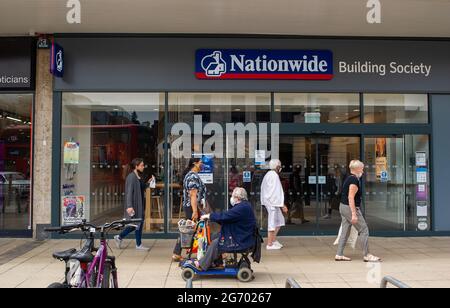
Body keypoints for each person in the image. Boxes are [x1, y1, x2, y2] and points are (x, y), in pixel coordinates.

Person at [194, 187, 257, 271]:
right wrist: (212, 217)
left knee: (216, 243)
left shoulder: (241, 207)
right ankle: (217, 262)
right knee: (213, 236)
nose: (231, 198)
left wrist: (209, 216)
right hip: (240, 235)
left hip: (241, 239)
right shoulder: (243, 205)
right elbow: (228, 218)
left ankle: (202, 264)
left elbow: (226, 216)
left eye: (233, 196)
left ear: (238, 198)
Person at [335, 160, 381, 262]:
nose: (363, 171)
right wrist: (354, 214)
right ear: (356, 169)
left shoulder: (349, 178)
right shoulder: (354, 180)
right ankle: (367, 255)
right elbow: (351, 198)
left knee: (345, 231)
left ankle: (339, 254)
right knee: (364, 229)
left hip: (343, 206)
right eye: (362, 169)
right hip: (349, 208)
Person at [114, 158, 154, 251]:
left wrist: (148, 183)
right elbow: (128, 192)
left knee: (136, 224)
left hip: (139, 204)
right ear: (136, 166)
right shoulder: (131, 177)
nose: (143, 167)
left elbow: (141, 188)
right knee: (136, 224)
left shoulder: (137, 176)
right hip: (135, 205)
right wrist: (129, 206)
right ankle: (135, 243)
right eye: (141, 165)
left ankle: (121, 238)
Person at [172, 157, 207, 262]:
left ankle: (178, 252)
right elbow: (193, 195)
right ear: (195, 164)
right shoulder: (192, 176)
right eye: (201, 163)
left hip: (193, 207)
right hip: (192, 207)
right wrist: (195, 211)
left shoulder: (193, 175)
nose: (202, 164)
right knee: (191, 229)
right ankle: (178, 253)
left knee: (190, 229)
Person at [261, 159, 288, 250]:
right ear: (277, 167)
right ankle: (269, 244)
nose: (280, 168)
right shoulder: (274, 176)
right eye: (280, 166)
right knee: (272, 223)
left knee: (279, 221)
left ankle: (273, 240)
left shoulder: (269, 175)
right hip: (272, 203)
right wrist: (282, 205)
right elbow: (276, 192)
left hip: (272, 202)